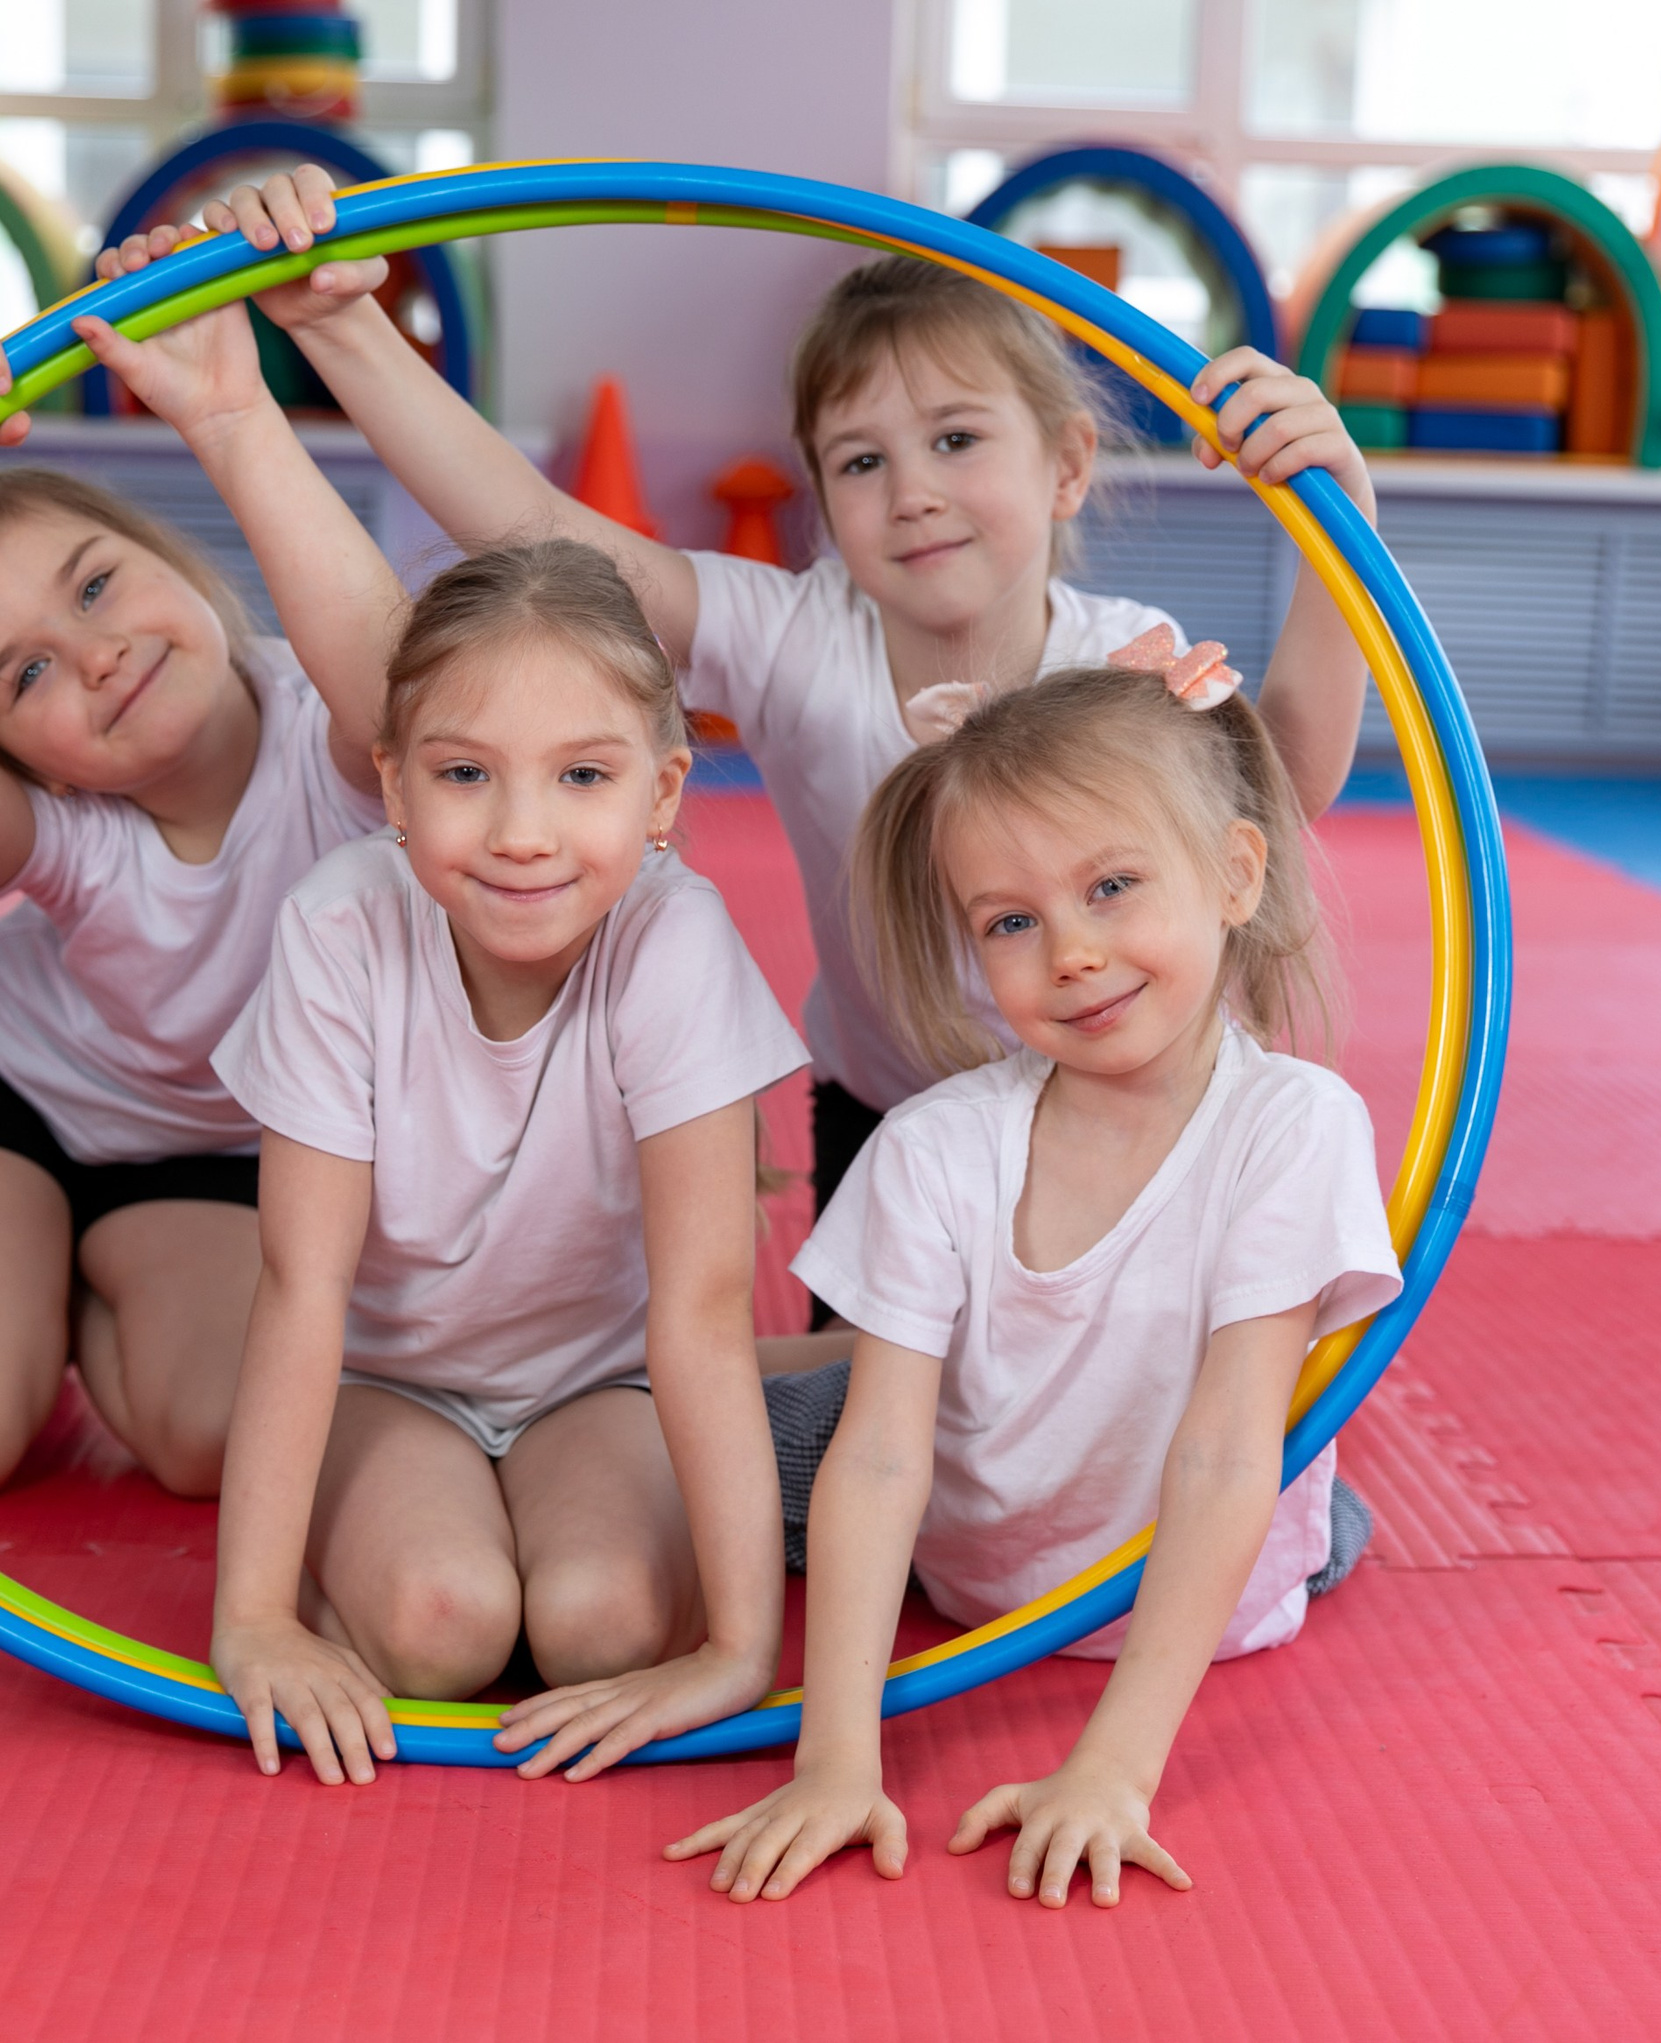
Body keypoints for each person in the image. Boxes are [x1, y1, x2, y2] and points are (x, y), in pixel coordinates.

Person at [100, 167, 1380, 1334]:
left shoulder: (1122, 662)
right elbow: (539, 530)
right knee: (877, 1472)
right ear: (822, 505)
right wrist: (342, 331)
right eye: (860, 462)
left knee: (1136, 1427)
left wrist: (1343, 521)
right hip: (901, 1122)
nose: (913, 490)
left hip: (1131, 1102)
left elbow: (1289, 785)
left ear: (1066, 462)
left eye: (955, 439)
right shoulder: (792, 634)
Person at [666, 650, 1403, 1903]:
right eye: (1011, 921)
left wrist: (1112, 1768)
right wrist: (835, 1758)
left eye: (1112, 888)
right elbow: (883, 1458)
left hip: (1197, 1578)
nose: (1069, 952)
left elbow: (1229, 1455)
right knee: (702, 1422)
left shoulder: (1296, 1124)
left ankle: (1320, 1514)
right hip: (971, 1565)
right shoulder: (936, 1143)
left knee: (1294, 1493)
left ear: (1234, 874)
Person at [204, 538, 810, 1787]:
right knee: (443, 1626)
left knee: (609, 1628)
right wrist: (252, 1619)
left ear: (661, 796)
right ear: (394, 785)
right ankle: (353, 1564)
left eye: (582, 775)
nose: (522, 834)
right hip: (390, 1383)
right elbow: (300, 1287)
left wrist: (742, 1649)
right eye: (466, 774)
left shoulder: (672, 936)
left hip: (593, 1385)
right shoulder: (339, 923)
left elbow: (698, 1312)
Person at [0, 294, 401, 1502]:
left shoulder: (340, 739)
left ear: (171, 560)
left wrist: (233, 415)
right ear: (20, 759)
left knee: (220, 1442)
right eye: (25, 676)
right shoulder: (69, 833)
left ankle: (62, 1276)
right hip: (15, 1093)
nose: (96, 656)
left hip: (224, 1141)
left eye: (94, 589)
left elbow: (401, 695)